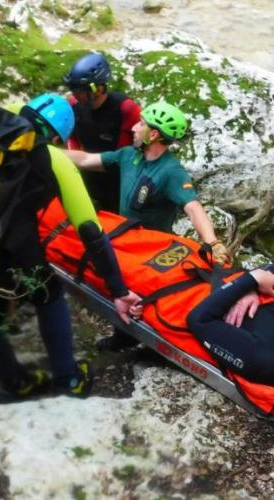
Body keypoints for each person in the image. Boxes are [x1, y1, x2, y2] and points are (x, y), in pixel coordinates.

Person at [0, 73, 142, 398]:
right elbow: (91, 231)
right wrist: (118, 290)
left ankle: (14, 382)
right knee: (49, 296)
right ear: (57, 138)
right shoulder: (53, 158)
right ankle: (68, 378)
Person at [67, 101, 233, 351]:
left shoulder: (171, 171)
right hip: (125, 241)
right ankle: (125, 335)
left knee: (146, 296)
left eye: (141, 124)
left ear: (153, 134)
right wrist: (47, 151)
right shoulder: (128, 155)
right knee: (121, 287)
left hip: (153, 250)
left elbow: (193, 207)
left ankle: (151, 338)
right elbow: (87, 159)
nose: (134, 127)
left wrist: (212, 242)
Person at [63, 53, 141, 212]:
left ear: (97, 89)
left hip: (117, 182)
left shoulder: (126, 109)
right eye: (73, 89)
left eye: (79, 90)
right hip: (85, 172)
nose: (75, 95)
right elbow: (72, 137)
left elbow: (131, 152)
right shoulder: (74, 105)